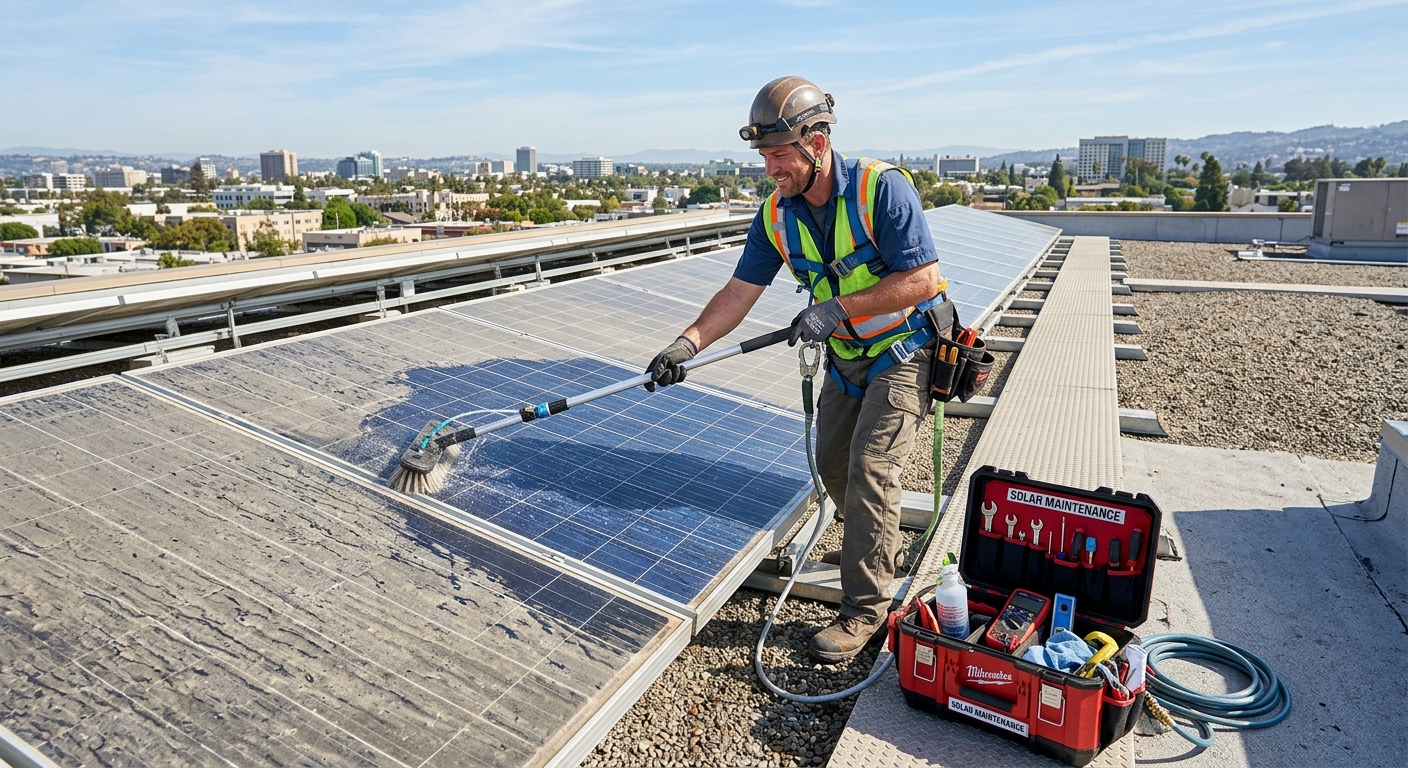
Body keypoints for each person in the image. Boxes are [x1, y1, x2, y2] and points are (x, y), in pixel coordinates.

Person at [646, 76, 952, 662]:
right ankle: (875, 542)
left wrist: (835, 308)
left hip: (903, 352)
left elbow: (922, 280)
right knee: (832, 463)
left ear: (817, 142)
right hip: (846, 358)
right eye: (764, 156)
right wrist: (686, 344)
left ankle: (866, 610)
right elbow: (740, 291)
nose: (770, 169)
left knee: (870, 468)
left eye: (779, 155)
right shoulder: (776, 215)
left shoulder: (879, 190)